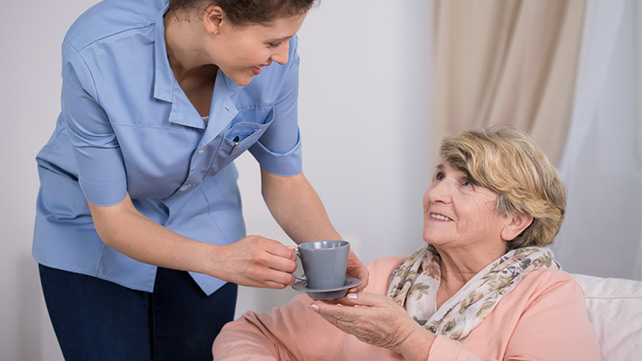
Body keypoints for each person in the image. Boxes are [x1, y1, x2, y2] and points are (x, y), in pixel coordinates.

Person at [33, 0, 368, 359]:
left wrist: (332, 252)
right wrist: (222, 260)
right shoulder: (97, 51)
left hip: (204, 219)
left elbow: (285, 181)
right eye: (272, 43)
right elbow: (114, 218)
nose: (284, 56)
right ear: (214, 19)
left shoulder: (274, 63)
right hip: (93, 230)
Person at [212, 127, 601, 361]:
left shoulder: (548, 296)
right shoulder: (381, 276)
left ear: (515, 220)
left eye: (467, 183)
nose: (435, 194)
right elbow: (249, 333)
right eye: (439, 175)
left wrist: (407, 338)